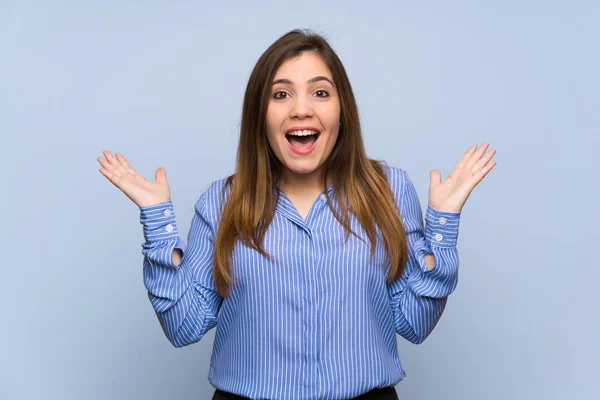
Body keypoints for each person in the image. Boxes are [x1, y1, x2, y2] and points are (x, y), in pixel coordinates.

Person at [97, 29, 496, 400]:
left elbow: (415, 323)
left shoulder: (388, 190)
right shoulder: (221, 203)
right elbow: (184, 327)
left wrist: (443, 222)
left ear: (343, 111)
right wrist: (157, 220)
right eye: (281, 95)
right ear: (261, 115)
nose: (301, 110)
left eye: (320, 93)